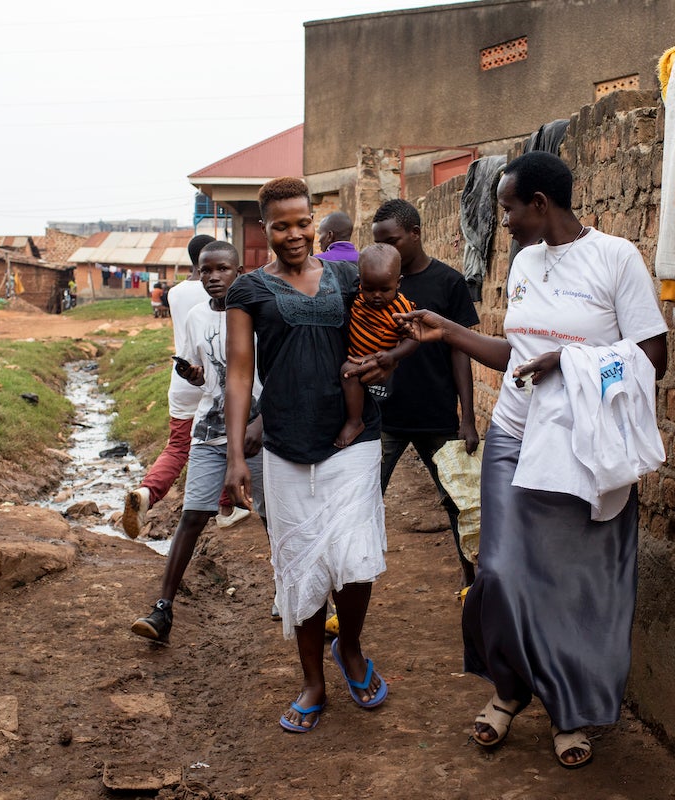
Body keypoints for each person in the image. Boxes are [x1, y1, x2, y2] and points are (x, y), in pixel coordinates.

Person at [394, 151, 668, 769]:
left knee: (570, 587)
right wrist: (445, 330)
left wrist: (569, 363)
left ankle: (568, 713)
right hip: (515, 439)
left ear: (540, 205)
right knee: (499, 574)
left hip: (581, 449)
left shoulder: (616, 258)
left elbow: (653, 354)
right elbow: (514, 352)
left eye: (510, 208)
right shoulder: (522, 263)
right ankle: (512, 689)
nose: (506, 221)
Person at [223, 177, 391, 733]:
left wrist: (388, 361)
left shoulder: (347, 277)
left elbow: (386, 324)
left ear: (314, 224)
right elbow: (241, 376)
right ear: (265, 227)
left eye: (302, 224)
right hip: (287, 445)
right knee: (299, 565)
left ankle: (352, 649)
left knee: (354, 555)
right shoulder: (248, 291)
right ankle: (313, 680)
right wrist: (235, 456)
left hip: (353, 438)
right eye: (281, 226)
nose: (294, 235)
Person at [132, 241, 266, 644]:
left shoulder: (259, 313)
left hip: (259, 429)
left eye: (222, 269)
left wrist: (265, 419)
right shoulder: (194, 316)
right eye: (205, 270)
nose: (213, 277)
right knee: (193, 514)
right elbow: (206, 376)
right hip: (210, 428)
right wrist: (193, 376)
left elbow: (277, 371)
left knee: (276, 517)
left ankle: (297, 596)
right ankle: (163, 609)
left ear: (238, 271)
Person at [371, 198, 481, 587]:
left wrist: (466, 418)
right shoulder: (374, 283)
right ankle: (347, 591)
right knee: (362, 503)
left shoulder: (448, 282)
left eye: (394, 241)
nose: (387, 251)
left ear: (416, 234)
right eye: (379, 244)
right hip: (383, 418)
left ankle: (471, 586)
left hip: (436, 416)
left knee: (459, 503)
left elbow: (460, 352)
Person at [123, 236, 247, 537]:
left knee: (179, 446)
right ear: (204, 264)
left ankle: (148, 492)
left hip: (185, 377)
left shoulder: (176, 293)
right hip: (223, 382)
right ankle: (226, 506)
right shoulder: (229, 289)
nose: (214, 277)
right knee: (228, 441)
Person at [336, 243, 416, 448]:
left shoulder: (401, 309)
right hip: (355, 354)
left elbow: (413, 338)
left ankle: (355, 422)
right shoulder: (357, 297)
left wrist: (393, 356)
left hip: (377, 363)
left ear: (398, 283)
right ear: (360, 282)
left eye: (384, 289)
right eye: (369, 288)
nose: (376, 296)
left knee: (348, 372)